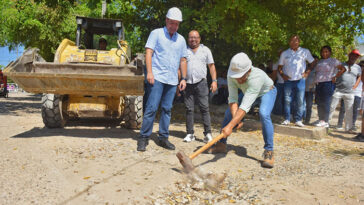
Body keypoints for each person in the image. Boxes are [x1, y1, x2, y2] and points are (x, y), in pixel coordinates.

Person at [208, 52, 277, 168]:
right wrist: (236, 120)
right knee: (228, 113)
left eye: (241, 77)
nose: (238, 80)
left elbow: (245, 106)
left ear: (248, 71)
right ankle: (221, 145)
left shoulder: (256, 78)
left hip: (267, 92)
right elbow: (233, 99)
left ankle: (269, 151)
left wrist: (230, 126)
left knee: (264, 113)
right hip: (247, 92)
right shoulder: (231, 75)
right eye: (236, 77)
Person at [137, 7, 188, 151]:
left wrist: (183, 78)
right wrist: (150, 73)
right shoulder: (156, 34)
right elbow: (149, 53)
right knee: (151, 108)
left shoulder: (181, 40)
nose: (174, 26)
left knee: (167, 109)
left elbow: (183, 60)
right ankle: (143, 137)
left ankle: (163, 138)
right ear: (166, 20)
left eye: (177, 24)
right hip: (157, 77)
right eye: (172, 23)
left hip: (172, 80)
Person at [182, 30, 217, 143]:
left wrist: (214, 81)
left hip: (201, 83)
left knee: (204, 108)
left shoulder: (205, 50)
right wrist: (180, 81)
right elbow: (180, 67)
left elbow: (211, 66)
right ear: (188, 39)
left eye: (195, 37)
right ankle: (190, 133)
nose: (193, 39)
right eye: (191, 37)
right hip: (187, 83)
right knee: (189, 109)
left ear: (199, 38)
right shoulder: (184, 50)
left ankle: (208, 134)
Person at [278, 35, 317, 127]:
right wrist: (283, 75)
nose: (293, 43)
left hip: (300, 80)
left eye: (296, 41)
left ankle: (298, 120)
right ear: (289, 42)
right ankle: (287, 119)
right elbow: (280, 67)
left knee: (300, 100)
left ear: (299, 42)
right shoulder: (285, 53)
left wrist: (307, 72)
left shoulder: (305, 51)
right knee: (287, 100)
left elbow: (313, 62)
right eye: (291, 41)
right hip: (288, 81)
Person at [328, 49, 361, 132]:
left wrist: (356, 85)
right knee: (332, 107)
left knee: (349, 110)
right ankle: (326, 124)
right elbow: (334, 73)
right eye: (353, 55)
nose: (354, 57)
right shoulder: (341, 64)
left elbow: (359, 77)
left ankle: (348, 128)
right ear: (349, 55)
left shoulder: (358, 67)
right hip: (338, 89)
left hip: (350, 92)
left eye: (356, 56)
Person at [314, 46, 346, 128]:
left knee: (326, 102)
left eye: (326, 51)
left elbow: (343, 69)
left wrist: (335, 76)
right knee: (319, 102)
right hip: (319, 83)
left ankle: (326, 120)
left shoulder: (333, 61)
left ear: (330, 52)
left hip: (328, 83)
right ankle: (321, 119)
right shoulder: (320, 62)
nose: (324, 53)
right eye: (323, 52)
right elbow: (317, 72)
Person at [303, 55, 319, 124]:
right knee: (300, 104)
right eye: (314, 60)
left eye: (316, 61)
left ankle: (307, 120)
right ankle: (299, 118)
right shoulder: (304, 67)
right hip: (302, 89)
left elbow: (316, 79)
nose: (315, 62)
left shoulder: (317, 70)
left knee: (309, 106)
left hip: (310, 90)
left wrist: (312, 88)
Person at [271, 49, 284, 116]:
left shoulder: (288, 59)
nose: (280, 53)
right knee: (278, 99)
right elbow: (274, 73)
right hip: (280, 82)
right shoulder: (276, 61)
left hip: (289, 82)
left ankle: (283, 114)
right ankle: (278, 114)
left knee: (286, 100)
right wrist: (272, 84)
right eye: (279, 52)